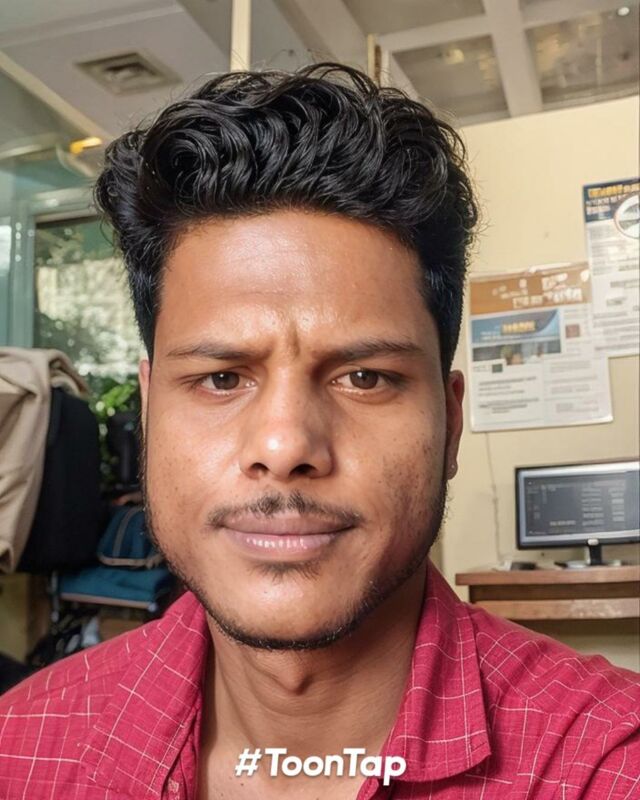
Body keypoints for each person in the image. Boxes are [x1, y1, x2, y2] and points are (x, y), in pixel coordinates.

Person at [0, 63, 638, 800]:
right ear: (148, 413)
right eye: (221, 379)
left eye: (364, 377)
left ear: (451, 423)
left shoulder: (607, 765)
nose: (283, 447)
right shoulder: (22, 747)